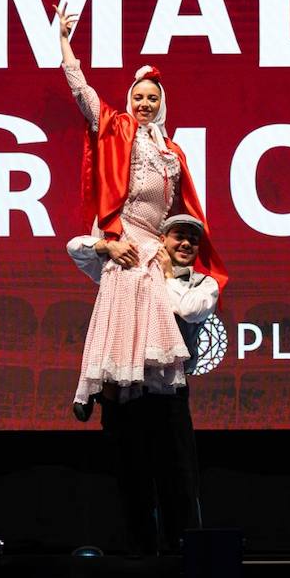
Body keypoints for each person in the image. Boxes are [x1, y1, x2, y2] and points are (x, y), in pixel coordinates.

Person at [56, 4, 226, 424]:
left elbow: (182, 205)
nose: (145, 103)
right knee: (123, 286)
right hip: (125, 231)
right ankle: (90, 387)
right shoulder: (117, 128)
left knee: (153, 302)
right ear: (130, 100)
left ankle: (150, 384)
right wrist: (64, 43)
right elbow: (83, 95)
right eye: (138, 97)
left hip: (156, 238)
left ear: (162, 104)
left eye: (152, 98)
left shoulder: (173, 151)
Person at [68, 214, 220, 555]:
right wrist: (108, 246)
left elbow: (187, 309)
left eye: (192, 240)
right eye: (178, 236)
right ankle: (139, 565)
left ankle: (184, 563)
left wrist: (164, 275)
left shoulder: (205, 284)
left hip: (169, 395)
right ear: (161, 241)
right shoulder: (131, 275)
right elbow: (76, 249)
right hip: (127, 393)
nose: (185, 244)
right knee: (132, 482)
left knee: (178, 482)